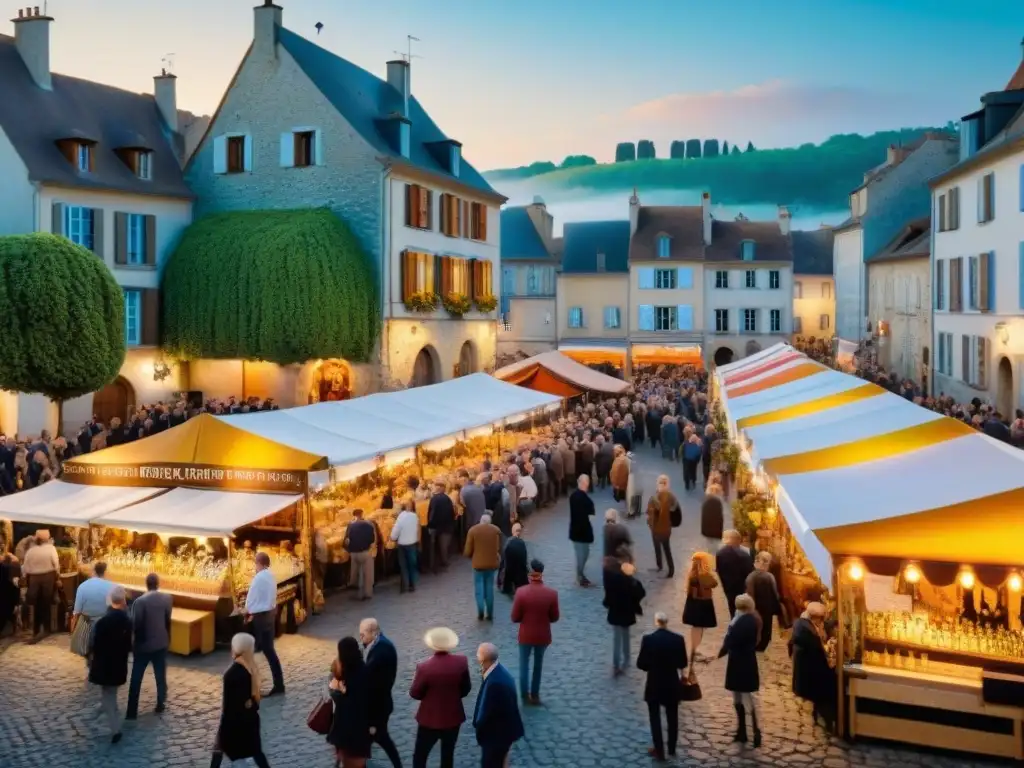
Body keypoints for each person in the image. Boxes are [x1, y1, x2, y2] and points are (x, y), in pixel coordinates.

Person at [410, 627, 472, 768]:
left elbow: (415, 693)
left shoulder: (424, 667)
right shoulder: (461, 663)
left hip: (429, 719)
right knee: (447, 755)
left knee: (420, 755)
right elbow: (466, 688)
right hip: (453, 717)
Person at [210, 634, 272, 768]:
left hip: (236, 725)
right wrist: (248, 704)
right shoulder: (250, 670)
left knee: (223, 752)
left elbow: (229, 707)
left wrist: (223, 730)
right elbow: (251, 702)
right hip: (248, 723)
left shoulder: (234, 673)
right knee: (256, 753)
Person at [636, 612, 688, 762]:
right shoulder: (678, 639)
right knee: (673, 716)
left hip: (654, 682)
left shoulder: (648, 639)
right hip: (672, 683)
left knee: (655, 717)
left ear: (656, 622)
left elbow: (641, 664)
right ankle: (671, 748)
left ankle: (659, 750)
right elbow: (682, 663)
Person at [510, 559, 560, 704]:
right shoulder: (551, 594)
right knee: (538, 664)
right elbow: (554, 617)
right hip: (543, 635)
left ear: (530, 573)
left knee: (524, 664)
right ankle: (535, 694)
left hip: (526, 635)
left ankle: (524, 694)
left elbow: (514, 617)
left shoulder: (521, 592)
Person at [89, 586, 132, 744]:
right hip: (118, 664)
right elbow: (129, 646)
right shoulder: (127, 622)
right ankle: (96, 713)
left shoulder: (103, 622)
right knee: (109, 694)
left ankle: (115, 729)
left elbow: (95, 645)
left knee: (109, 696)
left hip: (104, 664)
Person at [126, 572, 173, 719]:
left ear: (146, 584)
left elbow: (135, 624)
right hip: (161, 642)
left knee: (136, 677)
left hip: (144, 645)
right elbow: (167, 619)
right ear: (158, 584)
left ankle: (132, 711)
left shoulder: (140, 602)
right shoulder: (167, 599)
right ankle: (160, 702)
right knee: (160, 674)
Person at [719, 594, 762, 747]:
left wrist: (718, 654)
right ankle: (743, 730)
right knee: (743, 696)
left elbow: (730, 640)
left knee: (743, 696)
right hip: (746, 661)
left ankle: (751, 731)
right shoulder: (751, 619)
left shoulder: (742, 621)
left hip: (740, 662)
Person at [359, 618, 402, 768]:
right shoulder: (379, 644)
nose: (361, 638)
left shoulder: (381, 649)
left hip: (378, 705)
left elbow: (367, 674)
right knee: (372, 738)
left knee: (379, 737)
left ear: (372, 632)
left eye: (362, 635)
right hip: (380, 703)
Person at [473, 643, 524, 768]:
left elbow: (486, 712)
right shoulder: (499, 671)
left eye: (478, 656)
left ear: (483, 660)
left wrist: (478, 725)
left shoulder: (495, 684)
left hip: (496, 737)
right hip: (504, 732)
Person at [789, 602, 836, 732]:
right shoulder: (809, 632)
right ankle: (828, 716)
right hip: (812, 671)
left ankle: (822, 713)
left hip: (809, 668)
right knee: (832, 680)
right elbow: (819, 651)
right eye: (821, 618)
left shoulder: (804, 624)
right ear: (816, 617)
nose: (822, 621)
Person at [244, 552, 285, 696]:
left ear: (259, 563)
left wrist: (247, 612)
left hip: (260, 617)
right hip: (270, 615)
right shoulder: (271, 576)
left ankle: (252, 685)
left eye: (255, 563)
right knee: (269, 650)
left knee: (254, 651)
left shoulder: (258, 578)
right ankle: (278, 683)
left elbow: (251, 598)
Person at [329, 636, 372, 768]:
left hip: (350, 735)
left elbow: (345, 712)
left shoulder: (348, 677)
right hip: (362, 732)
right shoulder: (364, 670)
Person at [603, 556, 645, 675]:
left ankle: (616, 664)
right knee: (626, 636)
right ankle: (626, 660)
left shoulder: (613, 580)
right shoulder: (632, 582)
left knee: (617, 639)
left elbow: (608, 597)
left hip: (615, 612)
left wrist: (607, 604)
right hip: (627, 612)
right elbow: (641, 593)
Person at [70, 561, 113, 662]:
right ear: (105, 572)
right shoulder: (112, 587)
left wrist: (72, 628)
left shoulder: (83, 586)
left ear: (93, 571)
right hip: (105, 624)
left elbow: (77, 611)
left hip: (86, 624)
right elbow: (114, 608)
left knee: (88, 651)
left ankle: (91, 665)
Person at [22, 529, 59, 642]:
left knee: (36, 604)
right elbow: (56, 564)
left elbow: (25, 567)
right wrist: (57, 576)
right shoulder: (51, 549)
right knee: (46, 603)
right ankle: (46, 628)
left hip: (33, 578)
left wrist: (26, 577)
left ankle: (36, 629)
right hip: (48, 577)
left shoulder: (31, 551)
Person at [464, 513, 503, 621]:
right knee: (489, 588)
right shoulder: (496, 530)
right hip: (491, 564)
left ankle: (481, 611)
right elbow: (498, 547)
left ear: (480, 521)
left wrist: (469, 555)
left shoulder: (473, 531)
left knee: (479, 588)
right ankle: (490, 613)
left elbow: (468, 550)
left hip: (478, 564)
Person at [682, 551, 718, 660]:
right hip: (702, 603)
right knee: (699, 628)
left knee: (696, 628)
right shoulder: (704, 575)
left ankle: (694, 649)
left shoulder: (692, 574)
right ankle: (694, 650)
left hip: (693, 603)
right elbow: (714, 583)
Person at [746, 550, 782, 652]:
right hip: (766, 607)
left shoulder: (751, 577)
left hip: (757, 607)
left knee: (758, 625)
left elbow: (749, 593)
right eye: (766, 562)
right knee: (765, 625)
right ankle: (762, 644)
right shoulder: (769, 576)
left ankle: (758, 644)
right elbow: (775, 593)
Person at [646, 475, 679, 578]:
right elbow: (675, 509)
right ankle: (671, 569)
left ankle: (659, 565)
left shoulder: (654, 497)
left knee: (657, 546)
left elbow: (648, 511)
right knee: (666, 548)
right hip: (666, 528)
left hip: (655, 527)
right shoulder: (671, 496)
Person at [716, 530, 754, 620]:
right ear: (737, 540)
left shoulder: (720, 553)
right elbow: (750, 572)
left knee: (733, 610)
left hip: (729, 588)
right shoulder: (744, 554)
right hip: (743, 589)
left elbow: (719, 571)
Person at [568, 474, 595, 587]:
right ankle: (580, 576)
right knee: (583, 554)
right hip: (583, 531)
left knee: (581, 554)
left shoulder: (573, 496)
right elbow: (591, 516)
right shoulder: (587, 500)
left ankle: (580, 575)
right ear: (585, 483)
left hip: (575, 530)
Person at [344, 509, 377, 601]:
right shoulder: (369, 524)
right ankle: (367, 593)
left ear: (353, 515)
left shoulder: (350, 525)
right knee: (368, 574)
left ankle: (358, 593)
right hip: (365, 552)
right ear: (362, 514)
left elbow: (346, 540)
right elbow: (372, 539)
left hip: (354, 553)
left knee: (356, 573)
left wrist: (349, 549)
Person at [390, 500, 421, 594]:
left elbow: (396, 530)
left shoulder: (401, 517)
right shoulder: (415, 516)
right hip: (412, 543)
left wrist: (392, 538)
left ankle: (404, 586)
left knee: (403, 566)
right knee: (412, 564)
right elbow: (417, 529)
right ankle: (412, 585)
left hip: (402, 544)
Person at [427, 480, 456, 573]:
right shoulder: (447, 498)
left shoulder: (434, 499)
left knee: (437, 545)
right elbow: (452, 512)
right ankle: (444, 561)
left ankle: (437, 564)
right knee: (444, 545)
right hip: (447, 525)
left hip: (438, 526)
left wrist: (430, 525)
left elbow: (432, 513)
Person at [500, 523, 529, 596]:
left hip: (508, 576)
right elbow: (524, 561)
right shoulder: (522, 543)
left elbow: (503, 561)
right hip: (520, 577)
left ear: (512, 531)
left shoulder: (508, 543)